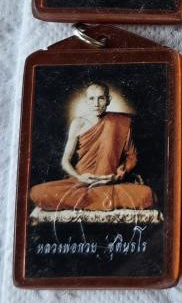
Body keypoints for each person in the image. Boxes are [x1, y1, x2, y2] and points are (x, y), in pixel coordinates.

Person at [29, 82, 154, 211]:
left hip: (109, 182)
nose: (96, 103)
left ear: (108, 100)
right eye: (92, 99)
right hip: (81, 181)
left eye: (101, 98)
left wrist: (116, 177)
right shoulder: (78, 123)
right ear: (86, 101)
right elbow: (65, 160)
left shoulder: (121, 122)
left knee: (147, 195)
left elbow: (132, 157)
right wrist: (79, 177)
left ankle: (90, 200)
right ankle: (100, 200)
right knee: (37, 192)